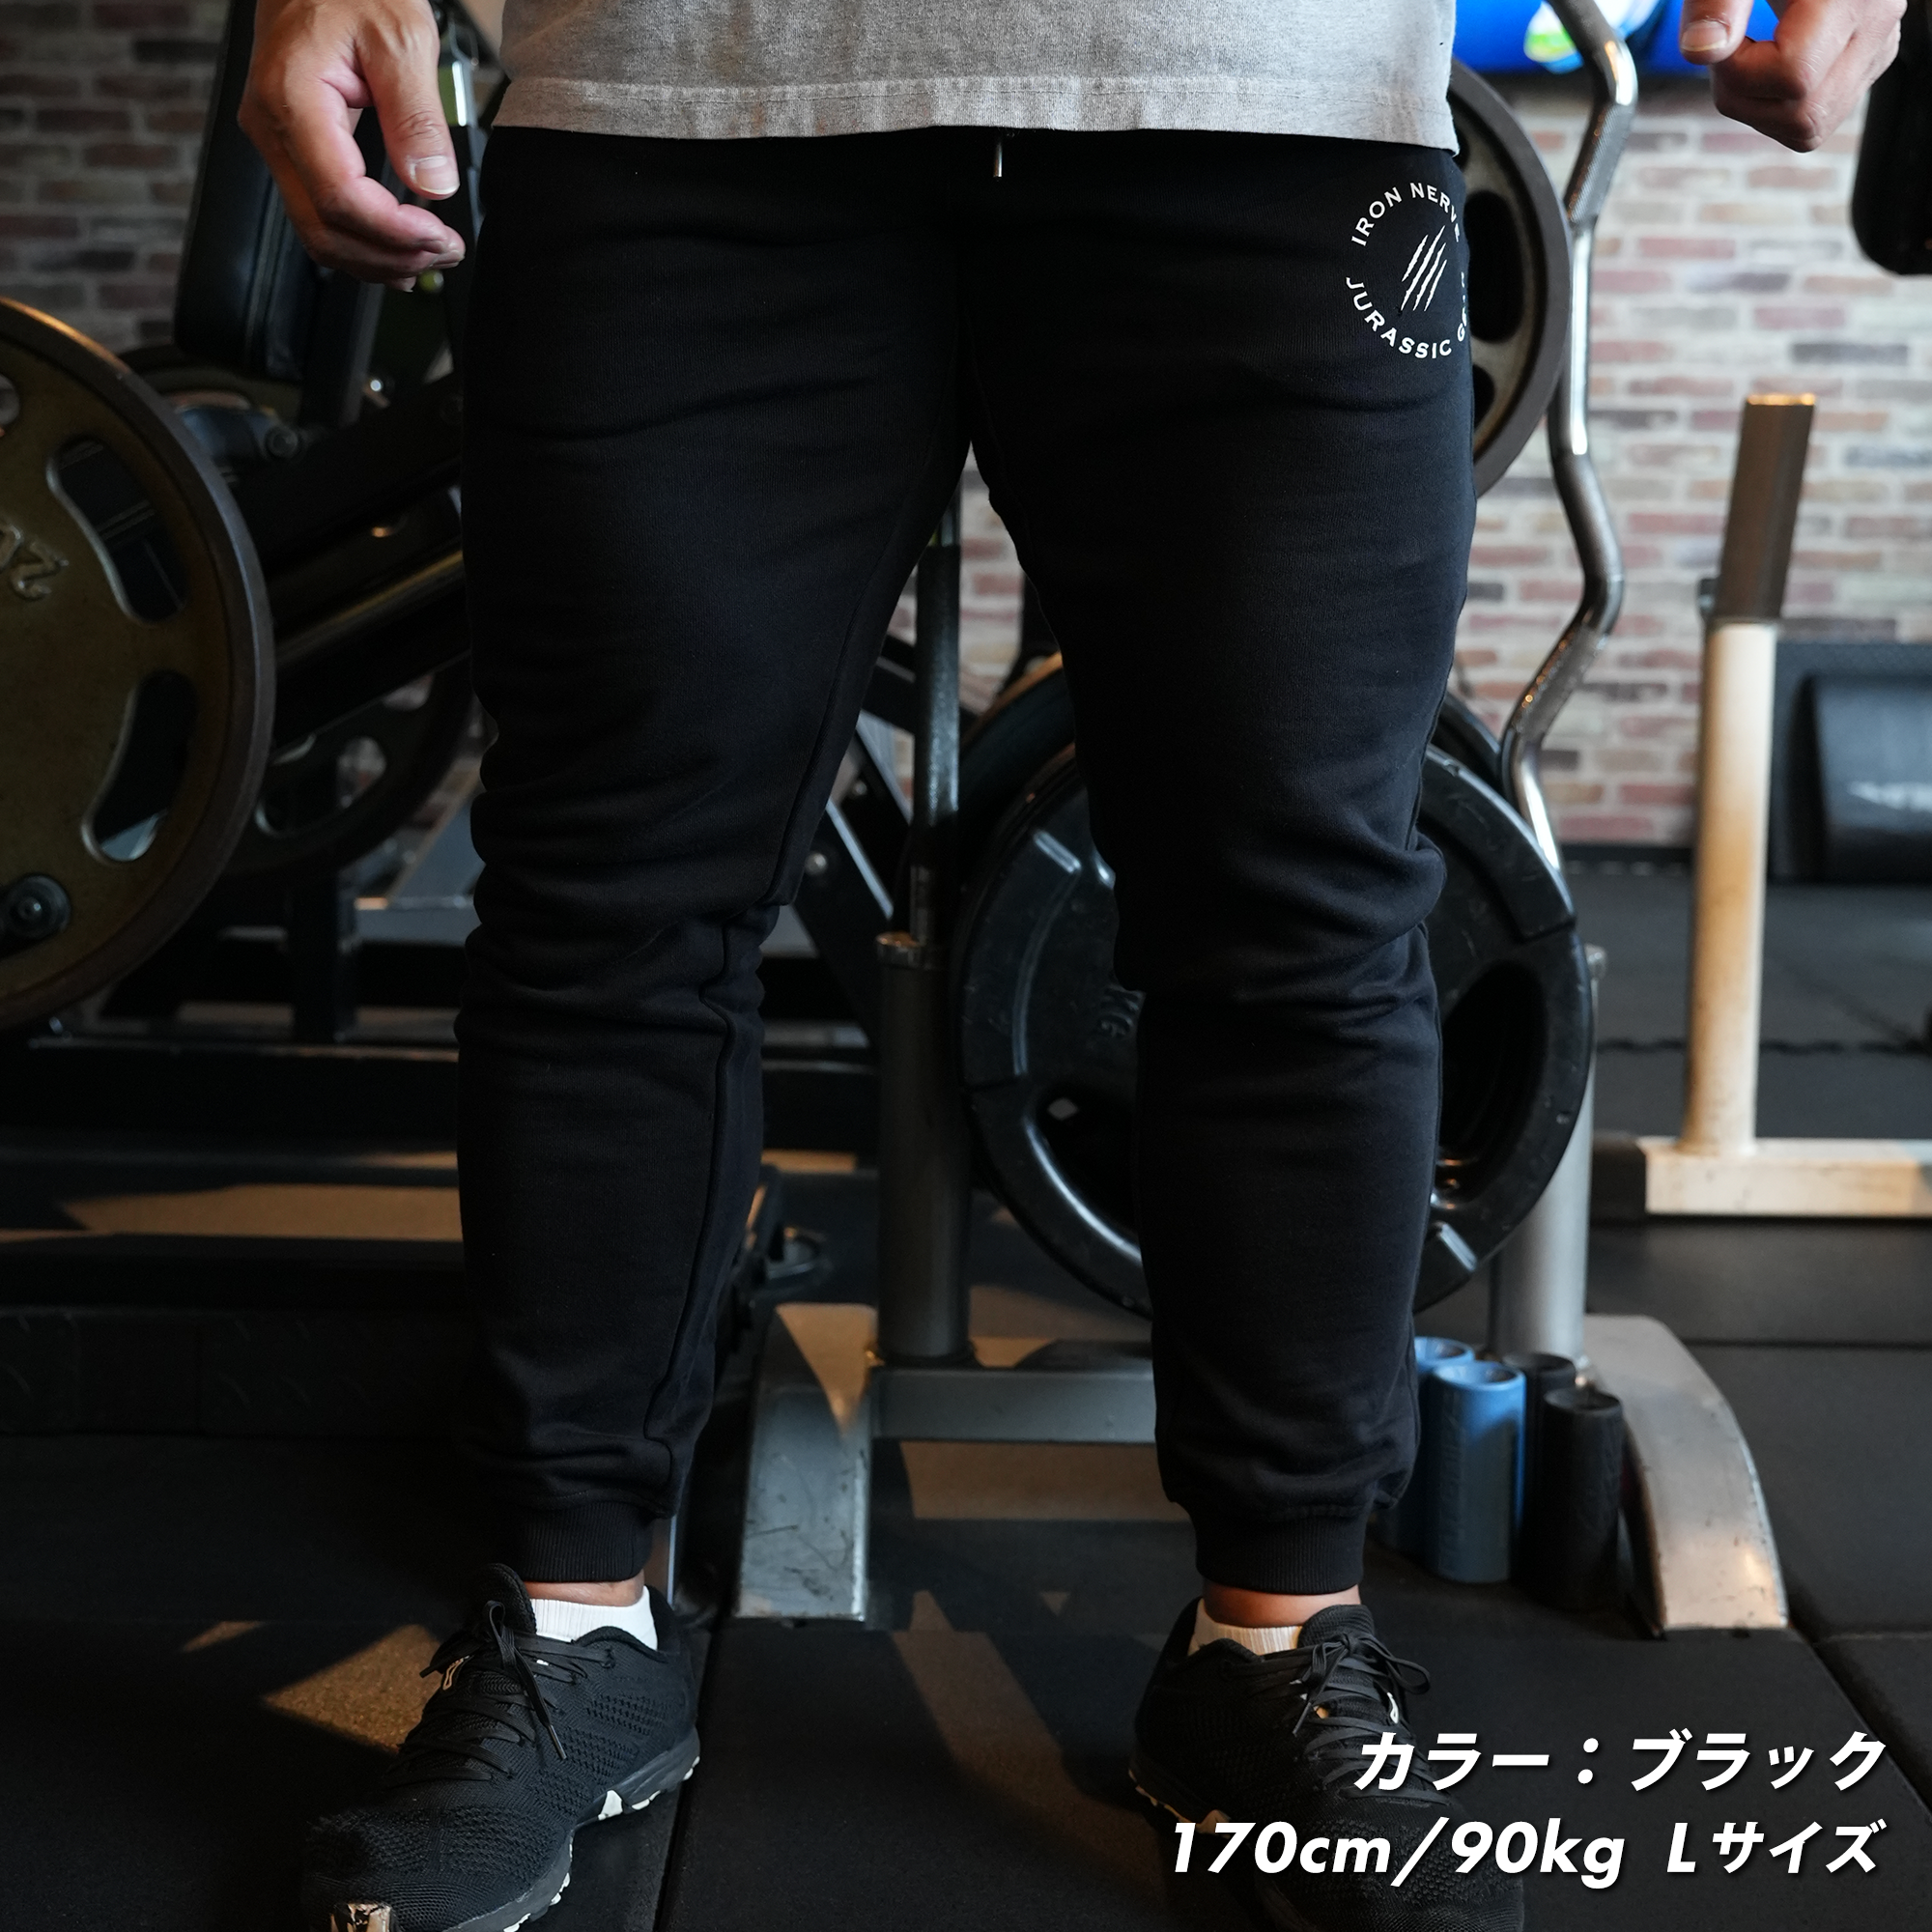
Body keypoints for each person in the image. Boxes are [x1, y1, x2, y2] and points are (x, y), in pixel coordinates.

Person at [238, 2, 1900, 1928]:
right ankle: (570, 1630)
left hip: (1266, 99)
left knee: (1299, 904)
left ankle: (1275, 1654)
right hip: (683, 94)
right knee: (609, 895)